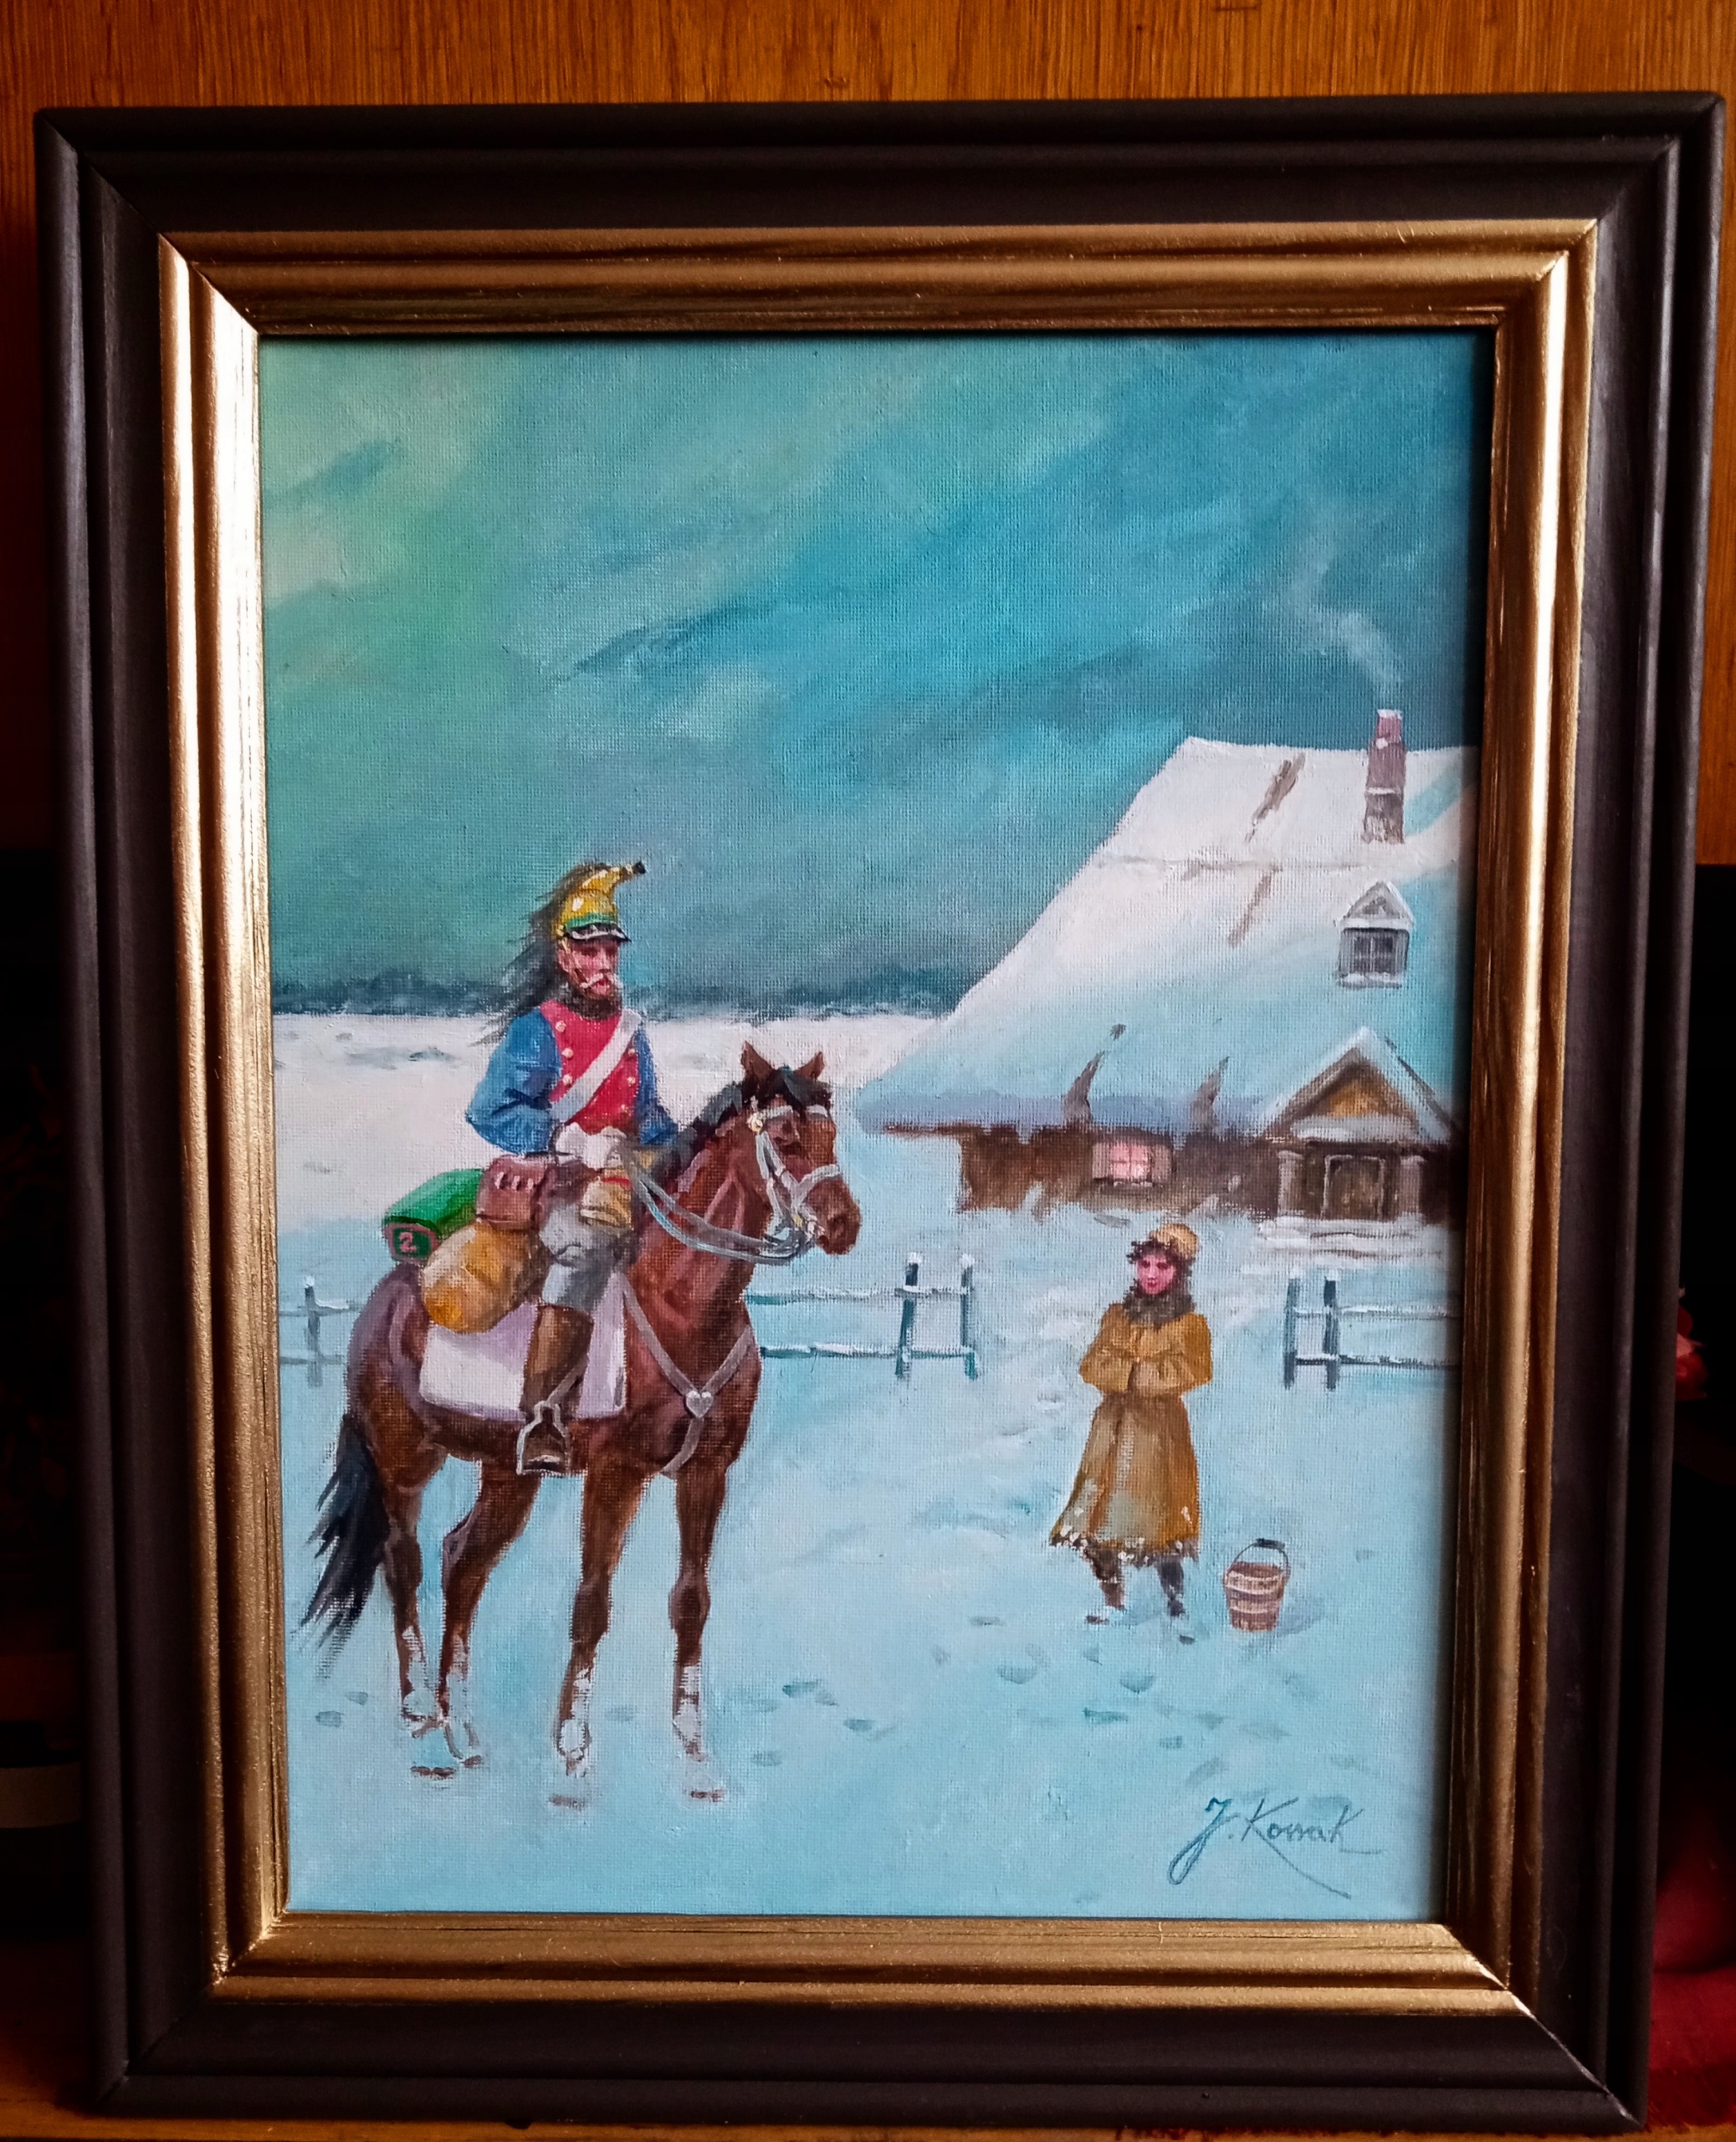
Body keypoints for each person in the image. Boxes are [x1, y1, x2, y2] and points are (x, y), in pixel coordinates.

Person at [465, 860, 678, 1473]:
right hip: (556, 1188)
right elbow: (490, 1111)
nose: (603, 963)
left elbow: (647, 1114)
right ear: (565, 958)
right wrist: (566, 1137)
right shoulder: (537, 1031)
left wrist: (683, 1145)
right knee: (584, 1248)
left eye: (610, 950)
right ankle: (544, 1417)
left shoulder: (631, 1032)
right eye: (590, 952)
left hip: (623, 1181)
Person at [1051, 1222, 1212, 1622]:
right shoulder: (1117, 1317)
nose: (1152, 1274)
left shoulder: (1190, 1325)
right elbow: (1093, 1364)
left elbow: (1193, 1370)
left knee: (1162, 1524)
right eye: (1145, 1264)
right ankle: (1112, 1598)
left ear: (1179, 1272)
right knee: (1096, 1517)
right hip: (1112, 1432)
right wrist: (1130, 1373)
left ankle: (1175, 1601)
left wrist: (1135, 1374)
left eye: (1163, 1266)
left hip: (1159, 1437)